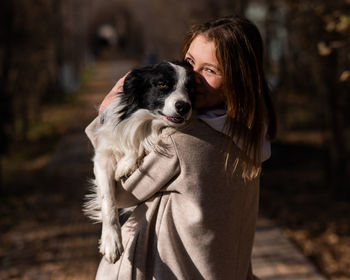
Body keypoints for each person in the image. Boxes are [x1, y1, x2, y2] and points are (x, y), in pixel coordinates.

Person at [86, 14, 276, 280]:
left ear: (237, 80)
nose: (192, 78)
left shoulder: (182, 138)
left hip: (158, 271)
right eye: (190, 62)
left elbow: (120, 193)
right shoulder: (252, 135)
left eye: (210, 70)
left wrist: (105, 115)